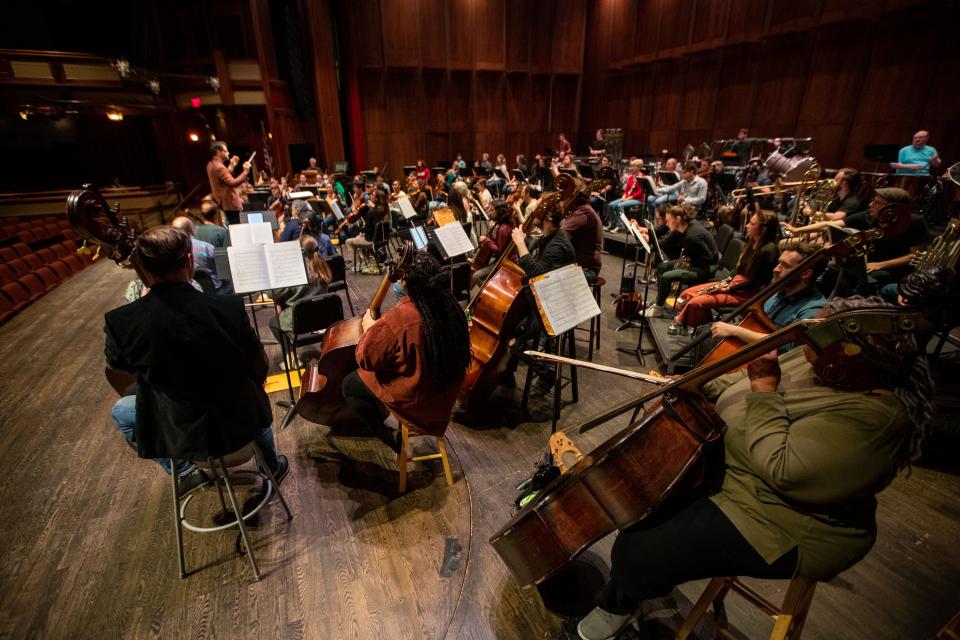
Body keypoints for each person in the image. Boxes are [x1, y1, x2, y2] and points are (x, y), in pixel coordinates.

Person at [575, 296, 934, 640]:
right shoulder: (821, 366)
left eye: (816, 337)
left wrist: (764, 388)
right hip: (737, 474)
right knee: (638, 512)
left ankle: (617, 606)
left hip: (780, 520)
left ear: (845, 357)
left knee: (641, 548)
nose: (803, 341)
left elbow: (783, 470)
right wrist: (698, 385)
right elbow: (738, 384)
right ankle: (641, 582)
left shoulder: (876, 418)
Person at [106, 226, 287, 495]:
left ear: (142, 267)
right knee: (249, 389)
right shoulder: (228, 308)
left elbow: (120, 371)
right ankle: (271, 466)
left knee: (121, 410)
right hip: (240, 427)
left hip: (179, 437)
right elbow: (258, 365)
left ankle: (186, 472)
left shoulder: (121, 322)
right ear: (190, 261)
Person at [341, 252, 470, 452]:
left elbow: (365, 359)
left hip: (419, 404)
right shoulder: (451, 308)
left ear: (405, 282)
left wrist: (369, 328)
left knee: (350, 384)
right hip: (444, 401)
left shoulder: (401, 318)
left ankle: (389, 435)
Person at [502, 204, 577, 395]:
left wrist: (520, 244)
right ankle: (508, 373)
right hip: (545, 297)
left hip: (554, 306)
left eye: (540, 217)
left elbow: (537, 273)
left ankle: (547, 375)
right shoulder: (550, 237)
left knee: (518, 346)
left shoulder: (558, 246)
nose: (536, 219)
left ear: (549, 219)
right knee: (510, 326)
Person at [671, 210, 779, 333]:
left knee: (697, 301)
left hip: (748, 293)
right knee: (688, 293)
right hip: (735, 284)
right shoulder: (752, 243)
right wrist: (724, 282)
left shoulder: (768, 251)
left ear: (763, 229)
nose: (747, 225)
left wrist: (728, 289)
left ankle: (705, 332)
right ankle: (704, 327)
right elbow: (737, 270)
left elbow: (755, 282)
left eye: (752, 224)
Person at [711, 241, 828, 352]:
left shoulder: (813, 310)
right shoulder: (778, 289)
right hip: (747, 345)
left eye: (785, 265)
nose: (776, 269)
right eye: (779, 263)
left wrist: (737, 331)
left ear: (805, 274)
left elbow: (787, 348)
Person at [828, 187, 929, 297]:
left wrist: (881, 265)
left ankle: (856, 306)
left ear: (893, 208)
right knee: (834, 267)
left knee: (867, 278)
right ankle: (842, 301)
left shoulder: (914, 222)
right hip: (867, 264)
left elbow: (915, 255)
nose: (870, 205)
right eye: (873, 200)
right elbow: (836, 224)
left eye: (877, 203)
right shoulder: (868, 216)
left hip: (895, 269)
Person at [639, 205, 718, 316]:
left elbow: (711, 258)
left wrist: (689, 262)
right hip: (696, 262)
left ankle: (658, 310)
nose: (666, 224)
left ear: (678, 219)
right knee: (662, 267)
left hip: (706, 267)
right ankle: (660, 301)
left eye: (668, 221)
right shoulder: (682, 227)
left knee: (666, 276)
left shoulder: (692, 236)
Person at [268, 234, 334, 349]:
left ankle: (291, 355)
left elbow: (272, 294)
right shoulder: (322, 266)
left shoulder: (296, 273)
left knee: (273, 322)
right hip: (322, 317)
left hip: (301, 320)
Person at [782, 168, 863, 237]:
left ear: (844, 183)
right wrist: (805, 203)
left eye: (836, 179)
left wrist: (811, 212)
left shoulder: (853, 201)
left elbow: (836, 217)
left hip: (830, 236)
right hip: (820, 232)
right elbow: (819, 209)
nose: (832, 181)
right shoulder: (836, 198)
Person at [560, 190, 604, 284]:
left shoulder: (583, 214)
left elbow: (559, 238)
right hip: (580, 265)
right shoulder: (583, 209)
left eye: (563, 197)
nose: (560, 200)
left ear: (572, 197)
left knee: (546, 277)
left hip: (586, 270)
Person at [472, 199, 517, 288]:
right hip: (500, 259)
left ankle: (490, 291)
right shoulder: (502, 225)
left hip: (504, 262)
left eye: (492, 210)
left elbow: (498, 251)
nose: (489, 212)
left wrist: (486, 240)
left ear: (499, 212)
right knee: (479, 264)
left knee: (476, 276)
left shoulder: (503, 229)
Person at [171, 216, 223, 292]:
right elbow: (220, 269)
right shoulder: (207, 247)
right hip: (212, 291)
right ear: (192, 230)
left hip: (183, 291)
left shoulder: (169, 251)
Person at [346, 187, 389, 274]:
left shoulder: (372, 212)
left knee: (348, 241)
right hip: (381, 239)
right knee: (358, 237)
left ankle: (359, 263)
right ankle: (366, 261)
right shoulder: (384, 209)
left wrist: (353, 226)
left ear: (377, 198)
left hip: (372, 241)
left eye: (373, 195)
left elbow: (367, 229)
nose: (370, 196)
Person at [206, 141, 251, 225]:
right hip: (229, 203)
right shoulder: (219, 166)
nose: (228, 153)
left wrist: (232, 165)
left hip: (222, 202)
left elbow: (222, 177)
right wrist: (245, 172)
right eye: (225, 151)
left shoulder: (211, 164)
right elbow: (233, 183)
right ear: (218, 152)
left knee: (232, 226)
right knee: (236, 227)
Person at [605, 159, 644, 232]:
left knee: (620, 205)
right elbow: (627, 189)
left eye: (633, 166)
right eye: (631, 166)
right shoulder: (631, 177)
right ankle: (612, 224)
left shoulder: (642, 177)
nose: (631, 168)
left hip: (637, 199)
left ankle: (620, 225)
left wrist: (628, 198)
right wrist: (624, 196)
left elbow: (640, 192)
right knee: (611, 205)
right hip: (628, 197)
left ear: (639, 167)